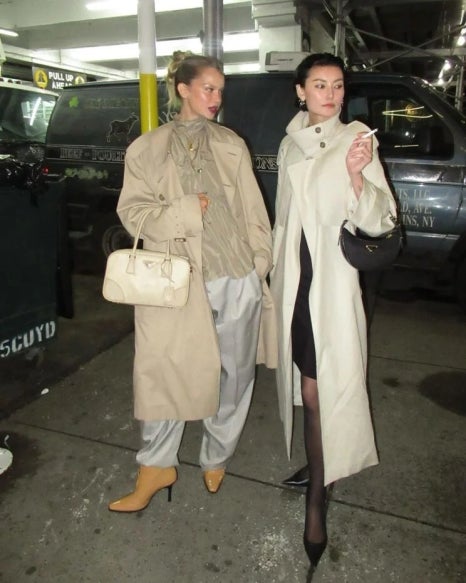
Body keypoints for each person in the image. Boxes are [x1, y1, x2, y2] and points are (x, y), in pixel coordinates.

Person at [108, 51, 276, 512]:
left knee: (235, 373)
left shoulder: (230, 143)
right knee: (165, 370)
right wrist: (184, 211)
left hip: (236, 274)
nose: (216, 98)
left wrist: (259, 262)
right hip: (176, 279)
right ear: (183, 89)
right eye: (208, 88)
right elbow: (133, 213)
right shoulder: (146, 149)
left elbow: (253, 210)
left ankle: (216, 455)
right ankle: (155, 466)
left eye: (220, 90)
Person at [269, 53, 397, 568]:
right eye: (319, 85)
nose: (331, 94)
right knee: (308, 389)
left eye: (338, 85)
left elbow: (382, 219)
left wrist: (358, 178)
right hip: (295, 283)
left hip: (332, 285)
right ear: (300, 91)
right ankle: (319, 467)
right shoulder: (289, 143)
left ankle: (317, 499)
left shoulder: (356, 138)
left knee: (319, 391)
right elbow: (283, 218)